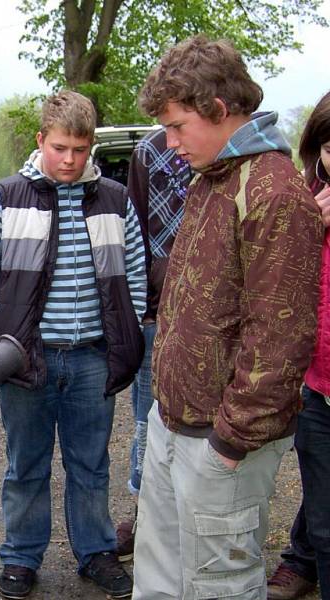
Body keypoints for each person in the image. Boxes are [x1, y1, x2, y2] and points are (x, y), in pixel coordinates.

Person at [132, 36, 323, 600]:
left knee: (219, 584)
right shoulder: (213, 178)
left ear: (217, 110)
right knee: (161, 578)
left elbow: (281, 337)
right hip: (173, 423)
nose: (169, 144)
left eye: (176, 126)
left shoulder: (273, 190)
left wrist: (231, 442)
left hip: (221, 443)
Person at [0, 90, 147, 599]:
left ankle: (97, 553)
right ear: (41, 139)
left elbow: (135, 278)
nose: (68, 160)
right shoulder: (5, 196)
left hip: (91, 359)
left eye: (79, 150)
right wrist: (6, 346)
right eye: (59, 147)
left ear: (90, 148)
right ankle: (21, 558)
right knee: (27, 467)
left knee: (91, 464)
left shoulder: (115, 199)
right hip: (25, 362)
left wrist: (121, 340)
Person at [115, 128, 192, 561]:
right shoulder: (150, 151)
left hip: (208, 314)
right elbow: (135, 228)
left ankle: (188, 520)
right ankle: (145, 512)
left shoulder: (228, 144)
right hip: (155, 314)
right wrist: (140, 304)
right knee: (148, 418)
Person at [267, 89, 330, 600]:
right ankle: (306, 560)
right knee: (327, 526)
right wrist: (309, 227)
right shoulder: (306, 203)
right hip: (318, 391)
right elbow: (271, 288)